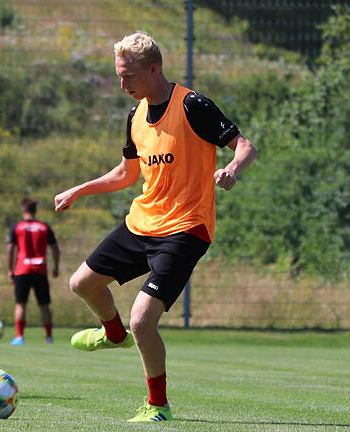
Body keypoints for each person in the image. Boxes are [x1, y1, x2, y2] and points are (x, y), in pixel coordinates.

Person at [54, 32, 256, 422]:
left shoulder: (192, 105)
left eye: (128, 75)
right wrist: (79, 190)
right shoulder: (135, 116)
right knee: (81, 283)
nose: (122, 84)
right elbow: (126, 173)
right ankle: (113, 335)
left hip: (186, 227)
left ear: (153, 68)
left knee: (142, 320)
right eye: (118, 75)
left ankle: (157, 405)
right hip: (143, 222)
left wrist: (232, 168)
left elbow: (245, 145)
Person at [6, 197, 60, 346]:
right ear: (35, 210)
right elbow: (55, 248)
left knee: (20, 304)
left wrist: (10, 269)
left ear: (23, 209)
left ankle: (19, 337)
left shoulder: (17, 227)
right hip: (40, 270)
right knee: (44, 305)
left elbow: (10, 249)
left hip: (22, 270)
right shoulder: (44, 227)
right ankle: (49, 337)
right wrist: (55, 267)